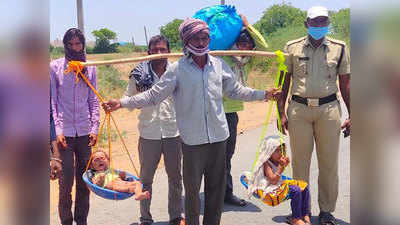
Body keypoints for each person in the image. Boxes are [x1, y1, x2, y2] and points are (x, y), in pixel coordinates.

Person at [102, 18, 281, 225]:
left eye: (204, 37)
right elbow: (153, 96)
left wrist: (264, 94)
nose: (200, 42)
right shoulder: (177, 70)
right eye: (195, 38)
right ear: (186, 40)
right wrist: (122, 102)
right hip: (192, 142)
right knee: (193, 192)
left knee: (216, 190)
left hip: (219, 138)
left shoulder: (219, 65)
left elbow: (236, 90)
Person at [277, 6, 351, 225]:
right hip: (299, 110)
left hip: (328, 110)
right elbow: (283, 82)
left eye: (323, 22)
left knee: (329, 164)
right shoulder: (291, 48)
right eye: (315, 22)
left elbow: (346, 84)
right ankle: (301, 211)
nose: (319, 26)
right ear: (306, 24)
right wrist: (281, 113)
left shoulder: (340, 48)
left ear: (327, 23)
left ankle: (327, 211)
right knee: (300, 164)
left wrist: (353, 114)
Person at [121, 35, 185, 225]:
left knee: (175, 177)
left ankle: (176, 216)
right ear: (149, 52)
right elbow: (128, 97)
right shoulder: (139, 74)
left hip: (173, 132)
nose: (159, 53)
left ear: (169, 51)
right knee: (146, 179)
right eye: (155, 50)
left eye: (163, 49)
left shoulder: (178, 71)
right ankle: (145, 218)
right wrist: (119, 104)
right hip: (149, 133)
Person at [50, 28, 100, 225]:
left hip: (85, 131)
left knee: (84, 181)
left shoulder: (91, 67)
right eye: (70, 44)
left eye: (78, 43)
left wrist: (94, 127)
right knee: (65, 182)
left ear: (83, 45)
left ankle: (81, 221)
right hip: (65, 135)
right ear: (65, 46)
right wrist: (59, 130)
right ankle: (66, 221)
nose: (74, 47)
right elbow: (53, 102)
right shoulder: (55, 67)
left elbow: (93, 99)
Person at [222, 14, 269, 207]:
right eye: (240, 44)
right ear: (234, 44)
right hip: (213, 112)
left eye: (248, 46)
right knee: (213, 157)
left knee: (227, 156)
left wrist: (248, 25)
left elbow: (264, 47)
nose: (244, 49)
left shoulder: (246, 61)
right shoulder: (222, 56)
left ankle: (225, 193)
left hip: (231, 113)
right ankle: (214, 194)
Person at [246, 136, 310, 225]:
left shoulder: (278, 160)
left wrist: (284, 165)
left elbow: (278, 177)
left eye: (283, 150)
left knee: (304, 186)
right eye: (277, 150)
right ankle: (295, 218)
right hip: (270, 187)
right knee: (296, 190)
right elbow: (273, 180)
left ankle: (305, 213)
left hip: (278, 183)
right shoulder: (267, 163)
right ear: (270, 151)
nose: (281, 153)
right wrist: (281, 167)